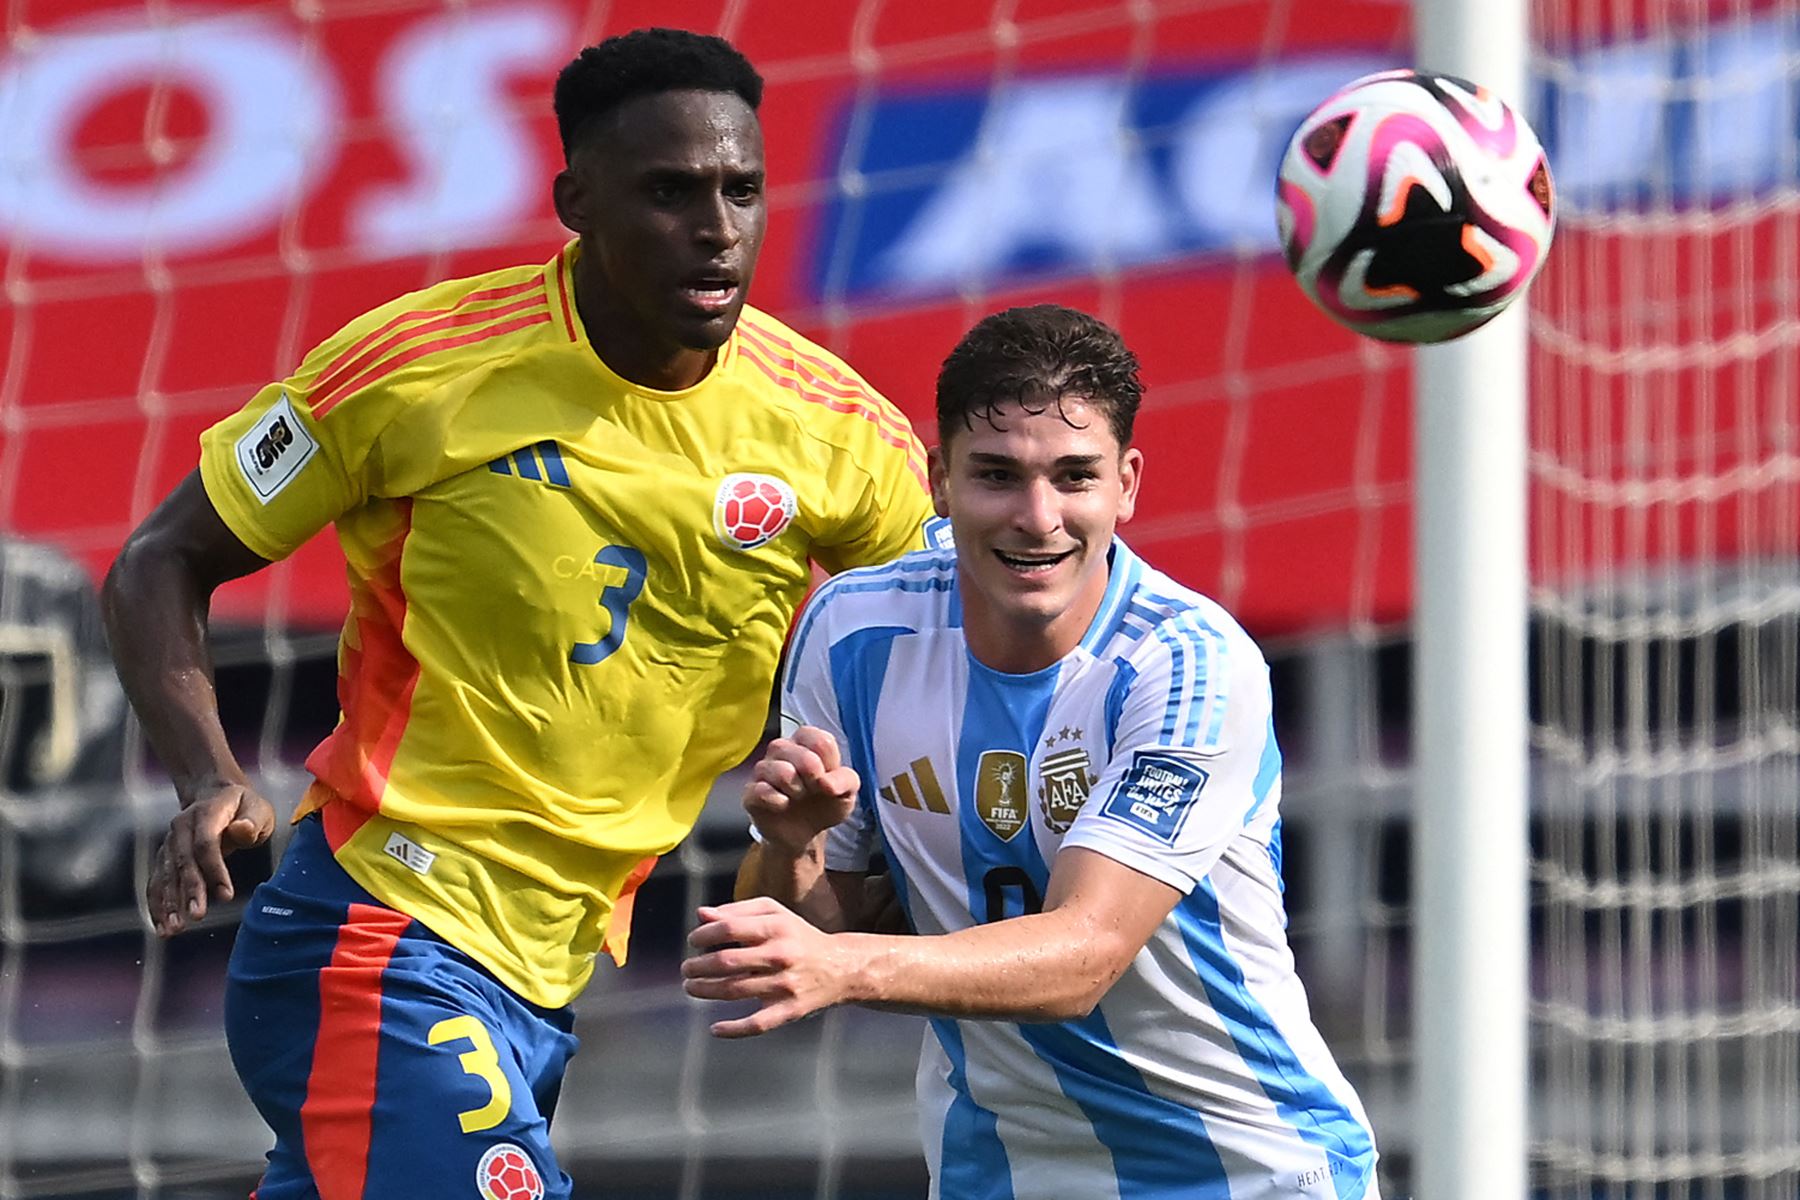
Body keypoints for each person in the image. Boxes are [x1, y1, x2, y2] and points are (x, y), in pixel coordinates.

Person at [101, 27, 937, 1200]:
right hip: (376, 934)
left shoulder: (841, 435)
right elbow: (157, 561)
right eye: (669, 193)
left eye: (740, 189)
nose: (716, 228)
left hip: (545, 978)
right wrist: (208, 775)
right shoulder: (422, 369)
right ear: (575, 201)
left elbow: (954, 638)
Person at [686, 305, 1381, 1198]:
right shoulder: (856, 630)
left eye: (1074, 476)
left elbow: (1084, 956)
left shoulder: (1189, 667)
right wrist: (792, 847)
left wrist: (848, 967)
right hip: (997, 1169)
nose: (1038, 517)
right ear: (939, 479)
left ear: (1127, 484)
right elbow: (821, 924)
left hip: (1242, 1170)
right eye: (999, 476)